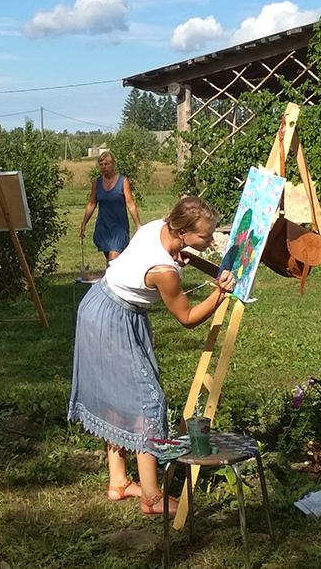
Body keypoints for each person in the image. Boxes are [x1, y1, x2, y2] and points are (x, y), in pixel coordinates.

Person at [67, 195, 236, 515]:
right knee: (148, 402)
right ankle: (151, 497)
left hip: (99, 305)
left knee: (117, 397)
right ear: (183, 232)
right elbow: (187, 318)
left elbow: (156, 255)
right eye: (205, 236)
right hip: (112, 318)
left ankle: (118, 482)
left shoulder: (157, 227)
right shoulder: (164, 270)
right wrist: (220, 293)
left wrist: (180, 254)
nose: (211, 241)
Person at [78, 151, 142, 264]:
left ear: (113, 164)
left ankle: (111, 275)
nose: (104, 167)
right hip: (103, 227)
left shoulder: (123, 181)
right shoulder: (96, 182)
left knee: (113, 260)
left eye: (106, 164)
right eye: (101, 164)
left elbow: (130, 204)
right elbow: (92, 203)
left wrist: (138, 225)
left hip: (119, 228)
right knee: (110, 261)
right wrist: (84, 223)